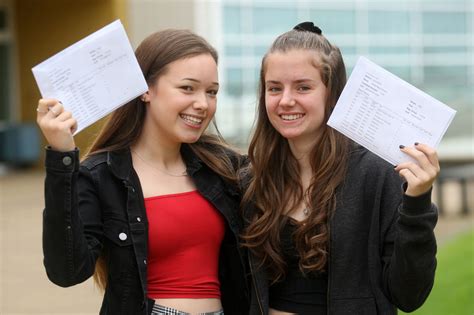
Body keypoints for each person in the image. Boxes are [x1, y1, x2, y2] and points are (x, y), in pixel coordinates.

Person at [37, 29, 249, 315]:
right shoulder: (101, 176)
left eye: (211, 91)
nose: (203, 103)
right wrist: (62, 155)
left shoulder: (226, 168)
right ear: (145, 90)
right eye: (188, 88)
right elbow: (67, 271)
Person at [241, 22, 439, 315]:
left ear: (332, 93)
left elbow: (409, 295)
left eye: (303, 87)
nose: (285, 100)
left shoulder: (378, 173)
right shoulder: (251, 180)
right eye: (274, 88)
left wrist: (417, 203)